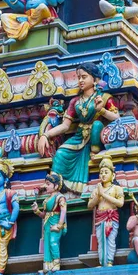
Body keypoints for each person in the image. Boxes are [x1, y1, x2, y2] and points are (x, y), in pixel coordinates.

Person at [38, 62, 119, 193]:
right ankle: (53, 183)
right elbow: (65, 126)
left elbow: (117, 118)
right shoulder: (75, 101)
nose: (80, 80)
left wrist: (102, 110)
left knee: (97, 125)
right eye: (78, 77)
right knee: (60, 153)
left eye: (84, 77)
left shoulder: (104, 98)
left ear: (94, 79)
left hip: (95, 137)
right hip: (79, 137)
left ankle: (93, 154)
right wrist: (45, 135)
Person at [87, 157, 124, 267]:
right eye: (101, 172)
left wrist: (103, 195)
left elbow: (120, 203)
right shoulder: (96, 190)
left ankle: (109, 262)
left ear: (112, 175)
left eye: (106, 172)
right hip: (100, 218)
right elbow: (90, 205)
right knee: (101, 241)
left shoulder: (116, 188)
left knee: (110, 240)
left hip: (111, 217)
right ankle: (102, 262)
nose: (103, 175)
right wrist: (98, 196)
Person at [32, 172, 67, 273]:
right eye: (45, 184)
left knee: (53, 242)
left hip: (55, 223)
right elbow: (44, 215)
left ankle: (56, 263)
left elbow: (63, 211)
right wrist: (37, 210)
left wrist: (59, 225)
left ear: (56, 186)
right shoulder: (47, 200)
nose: (45, 186)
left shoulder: (60, 197)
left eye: (48, 184)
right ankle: (47, 266)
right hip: (47, 224)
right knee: (46, 244)